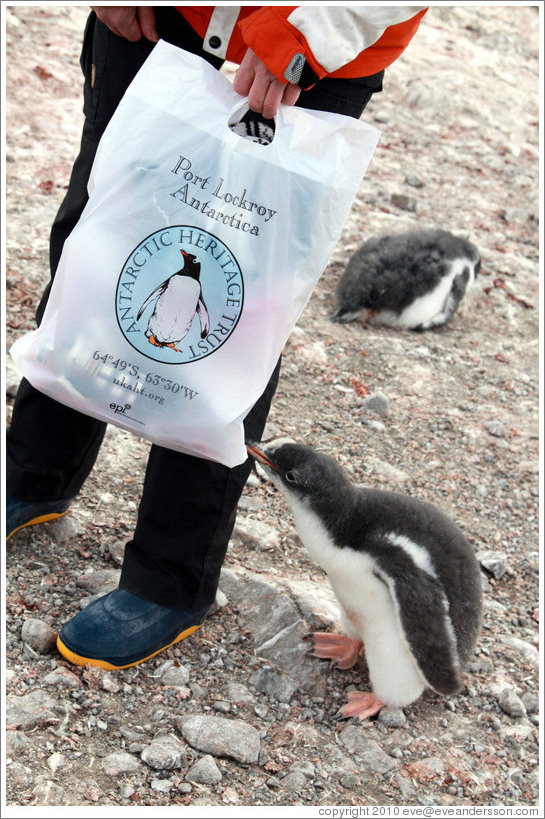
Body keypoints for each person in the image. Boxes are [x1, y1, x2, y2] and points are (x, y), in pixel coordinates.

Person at [6, 5, 428, 670]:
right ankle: (33, 470)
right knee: (100, 231)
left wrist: (310, 29)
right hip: (162, 13)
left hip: (306, 39)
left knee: (244, 302)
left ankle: (169, 577)